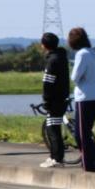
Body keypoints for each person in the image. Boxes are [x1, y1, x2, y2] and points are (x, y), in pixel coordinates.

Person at [67, 27, 95, 174]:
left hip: (84, 98)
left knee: (81, 134)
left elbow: (74, 77)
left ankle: (89, 163)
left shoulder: (81, 54)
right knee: (86, 132)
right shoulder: (93, 53)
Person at [38, 33, 70, 168]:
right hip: (62, 97)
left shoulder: (52, 60)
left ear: (44, 45)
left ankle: (56, 158)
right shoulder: (62, 57)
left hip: (54, 100)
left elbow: (48, 82)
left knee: (53, 130)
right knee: (55, 128)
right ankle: (57, 156)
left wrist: (46, 100)